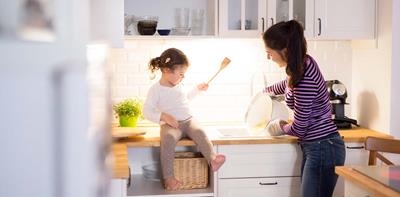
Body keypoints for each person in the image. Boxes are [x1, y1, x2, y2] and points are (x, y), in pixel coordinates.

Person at [262, 20, 346, 197]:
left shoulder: (304, 76)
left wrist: (279, 125)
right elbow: (287, 85)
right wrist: (264, 93)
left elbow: (300, 127)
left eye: (269, 53)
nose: (268, 57)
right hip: (318, 146)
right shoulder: (302, 64)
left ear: (283, 49)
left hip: (323, 147)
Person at [143, 48, 226, 190]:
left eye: (184, 75)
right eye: (181, 74)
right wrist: (163, 116)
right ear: (167, 70)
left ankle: (212, 159)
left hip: (188, 120)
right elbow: (146, 111)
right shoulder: (156, 90)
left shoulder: (179, 84)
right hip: (171, 125)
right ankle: (169, 178)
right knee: (168, 139)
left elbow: (185, 99)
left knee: (200, 131)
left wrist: (197, 89)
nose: (183, 77)